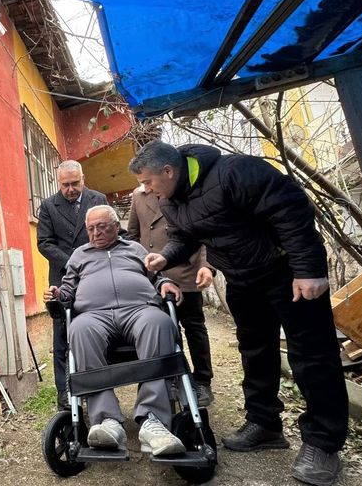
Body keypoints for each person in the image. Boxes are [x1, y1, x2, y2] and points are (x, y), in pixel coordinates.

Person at [137, 140, 347, 486]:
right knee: (255, 351)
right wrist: (166, 257)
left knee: (312, 356)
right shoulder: (172, 201)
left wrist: (307, 269)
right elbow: (185, 237)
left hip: (285, 273)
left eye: (149, 181)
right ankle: (264, 423)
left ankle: (323, 443)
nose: (147, 189)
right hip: (243, 281)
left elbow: (291, 209)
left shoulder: (235, 172)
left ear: (168, 171)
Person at [44, 205, 185, 455]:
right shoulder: (79, 255)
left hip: (139, 309)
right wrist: (57, 294)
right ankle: (107, 421)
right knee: (79, 329)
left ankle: (153, 421)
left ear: (115, 226)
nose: (95, 233)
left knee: (160, 323)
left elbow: (156, 276)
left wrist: (165, 283)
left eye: (102, 227)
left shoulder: (135, 249)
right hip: (94, 315)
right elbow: (67, 290)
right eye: (91, 228)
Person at [125, 178, 216, 407]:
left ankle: (202, 381)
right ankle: (174, 377)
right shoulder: (138, 196)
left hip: (187, 272)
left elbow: (203, 235)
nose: (145, 187)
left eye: (147, 180)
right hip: (154, 276)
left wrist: (207, 266)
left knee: (194, 327)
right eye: (140, 182)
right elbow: (132, 236)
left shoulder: (184, 193)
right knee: (166, 330)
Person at [37, 160, 108, 410]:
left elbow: (109, 235)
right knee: (62, 337)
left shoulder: (98, 199)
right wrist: (73, 263)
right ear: (59, 183)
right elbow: (44, 242)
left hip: (96, 277)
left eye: (74, 183)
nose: (70, 189)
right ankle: (65, 393)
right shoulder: (48, 206)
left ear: (83, 179)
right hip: (62, 279)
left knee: (95, 330)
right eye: (65, 185)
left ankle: (96, 387)